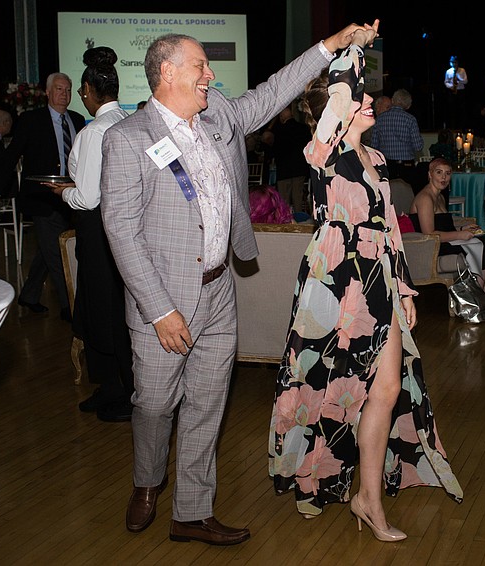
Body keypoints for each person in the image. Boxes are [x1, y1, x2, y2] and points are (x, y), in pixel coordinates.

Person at [100, 23, 372, 545]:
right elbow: (122, 231)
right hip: (163, 299)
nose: (210, 75)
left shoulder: (219, 115)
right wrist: (159, 310)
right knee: (154, 404)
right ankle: (147, 480)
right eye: (201, 66)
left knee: (207, 403)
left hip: (219, 289)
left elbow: (273, 91)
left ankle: (192, 511)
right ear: (167, 72)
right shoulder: (128, 140)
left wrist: (331, 46)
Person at [269, 23, 463, 539]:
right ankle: (340, 483)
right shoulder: (326, 154)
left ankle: (368, 499)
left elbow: (387, 233)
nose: (369, 101)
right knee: (338, 392)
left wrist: (402, 287)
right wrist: (352, 46)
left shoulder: (373, 162)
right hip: (338, 285)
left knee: (389, 388)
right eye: (360, 97)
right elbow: (337, 92)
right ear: (339, 106)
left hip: (379, 282)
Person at [43, 47, 134, 423]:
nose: (80, 96)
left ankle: (121, 393)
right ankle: (116, 387)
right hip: (128, 228)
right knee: (119, 309)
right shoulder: (131, 122)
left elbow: (88, 197)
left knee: (103, 310)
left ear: (91, 91)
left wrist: (61, 190)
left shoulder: (94, 132)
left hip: (98, 231)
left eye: (81, 90)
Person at [0, 72, 86, 320]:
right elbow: (11, 156)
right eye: (58, 89)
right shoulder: (31, 120)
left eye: (67, 90)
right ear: (47, 92)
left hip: (72, 195)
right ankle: (71, 307)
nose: (64, 94)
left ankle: (29, 295)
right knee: (58, 251)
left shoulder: (77, 119)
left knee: (48, 248)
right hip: (42, 197)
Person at [410, 157, 485, 297]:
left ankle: (479, 289)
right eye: (439, 172)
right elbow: (429, 234)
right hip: (432, 247)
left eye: (448, 173)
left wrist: (462, 229)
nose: (444, 177)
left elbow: (444, 225)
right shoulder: (425, 198)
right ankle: (477, 292)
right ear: (430, 174)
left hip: (445, 241)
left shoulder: (439, 197)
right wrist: (459, 235)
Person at [371, 88, 424, 189]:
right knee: (407, 196)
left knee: (389, 194)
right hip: (407, 165)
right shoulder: (410, 119)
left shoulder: (380, 119)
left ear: (393, 101)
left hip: (387, 165)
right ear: (408, 105)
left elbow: (374, 147)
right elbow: (418, 146)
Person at [269, 102, 312, 213]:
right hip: (299, 167)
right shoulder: (303, 128)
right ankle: (299, 221)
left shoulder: (279, 131)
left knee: (284, 199)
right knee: (298, 197)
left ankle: (286, 222)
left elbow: (275, 149)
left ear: (282, 117)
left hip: (284, 168)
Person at [444, 55, 467, 129]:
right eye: (452, 62)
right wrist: (450, 86)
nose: (453, 64)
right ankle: (452, 128)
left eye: (455, 62)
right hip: (452, 92)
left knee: (461, 110)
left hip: (460, 91)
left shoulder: (462, 70)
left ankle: (461, 127)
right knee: (452, 110)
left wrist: (459, 78)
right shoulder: (448, 71)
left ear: (457, 63)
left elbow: (466, 81)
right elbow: (446, 81)